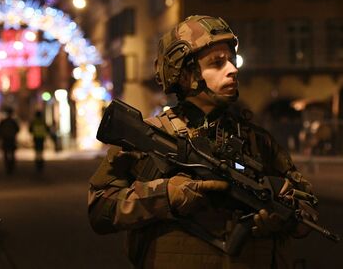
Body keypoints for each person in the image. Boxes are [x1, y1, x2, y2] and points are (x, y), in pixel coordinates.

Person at [88, 15, 317, 268]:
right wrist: (166, 195)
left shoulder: (258, 141)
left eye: (231, 59)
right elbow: (100, 210)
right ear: (184, 74)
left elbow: (306, 211)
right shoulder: (147, 138)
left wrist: (284, 218)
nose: (233, 69)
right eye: (217, 63)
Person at [0, 107, 20, 174]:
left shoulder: (3, 122)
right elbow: (18, 129)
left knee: (6, 154)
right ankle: (11, 166)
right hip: (11, 139)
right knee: (12, 153)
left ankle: (7, 167)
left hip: (5, 139)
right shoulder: (13, 122)